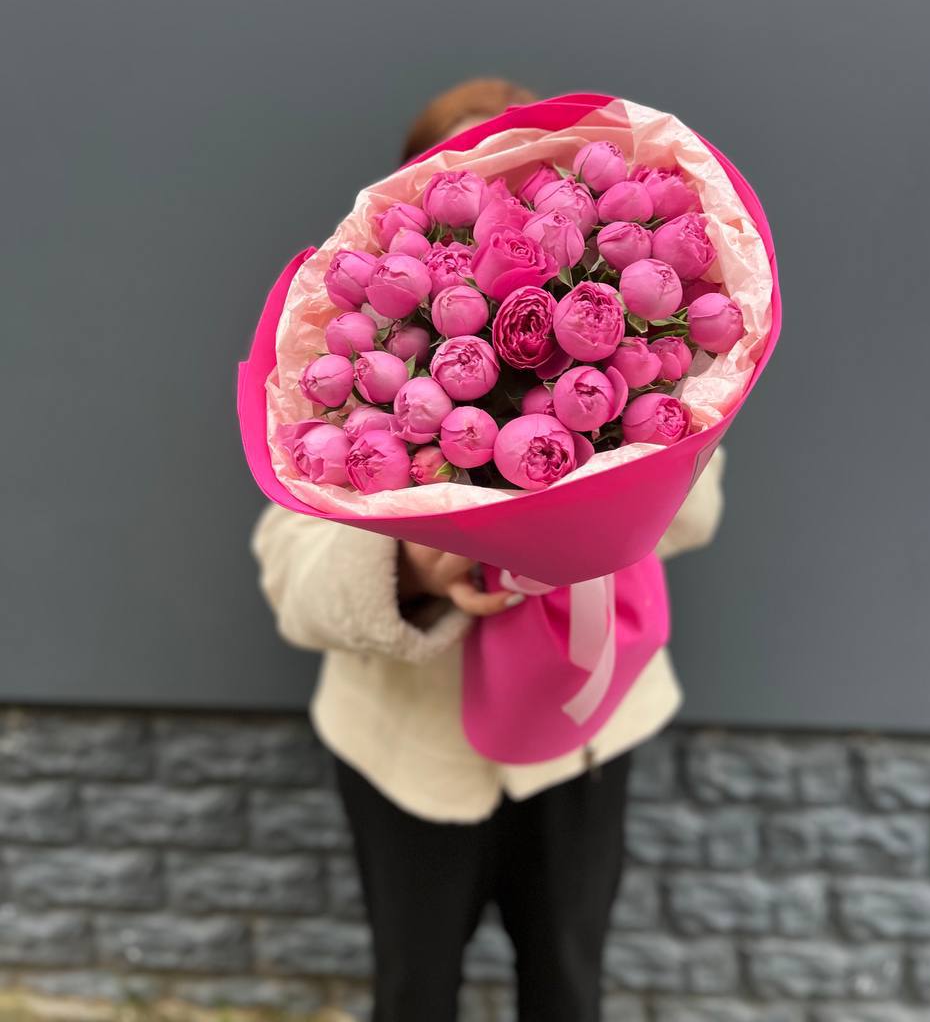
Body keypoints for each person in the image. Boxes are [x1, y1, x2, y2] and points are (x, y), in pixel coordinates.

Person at [252, 77, 727, 1022]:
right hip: (404, 749)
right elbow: (288, 572)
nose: (491, 203)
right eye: (459, 176)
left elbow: (696, 513)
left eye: (517, 178)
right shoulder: (341, 365)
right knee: (412, 994)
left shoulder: (639, 354)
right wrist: (410, 568)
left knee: (568, 989)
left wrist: (592, 482)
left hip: (588, 734)